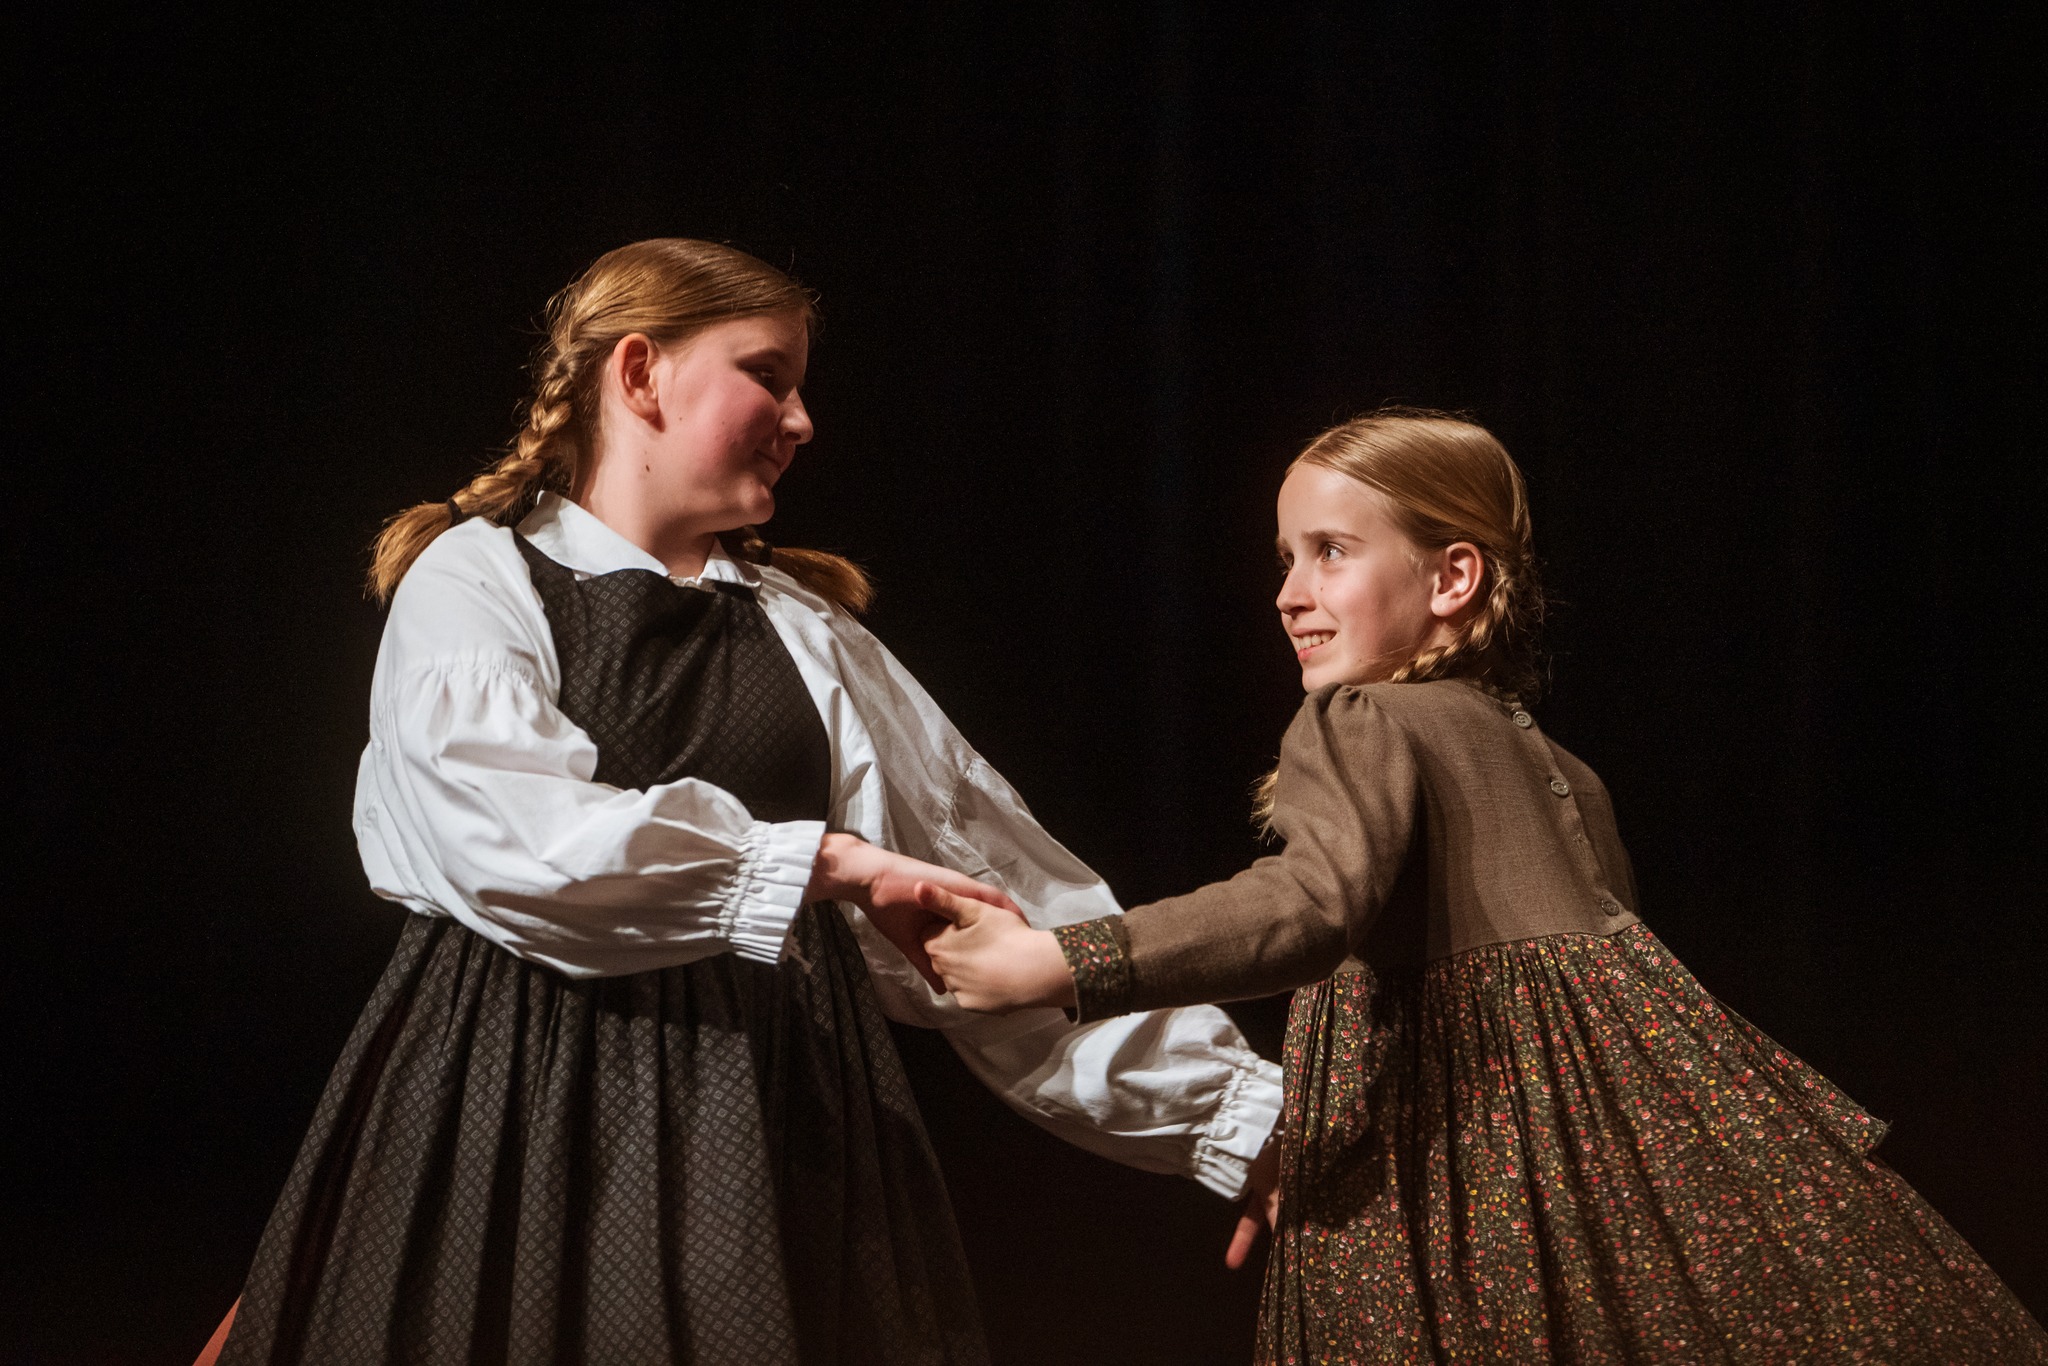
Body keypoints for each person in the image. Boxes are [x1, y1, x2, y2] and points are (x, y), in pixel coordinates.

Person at [208, 239, 1281, 1365]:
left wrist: (1239, 1116)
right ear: (640, 373)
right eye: (767, 376)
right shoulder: (478, 576)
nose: (802, 419)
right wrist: (823, 863)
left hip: (773, 1123)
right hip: (520, 1104)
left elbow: (996, 899)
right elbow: (510, 833)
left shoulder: (803, 629)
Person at [923, 411, 2048, 1363]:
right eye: (1284, 559)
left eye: (1329, 552)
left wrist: (1063, 960)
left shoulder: (1360, 717)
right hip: (1607, 1187)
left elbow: (1306, 907)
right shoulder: (1562, 764)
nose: (1289, 593)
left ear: (1453, 576)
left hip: (1453, 1193)